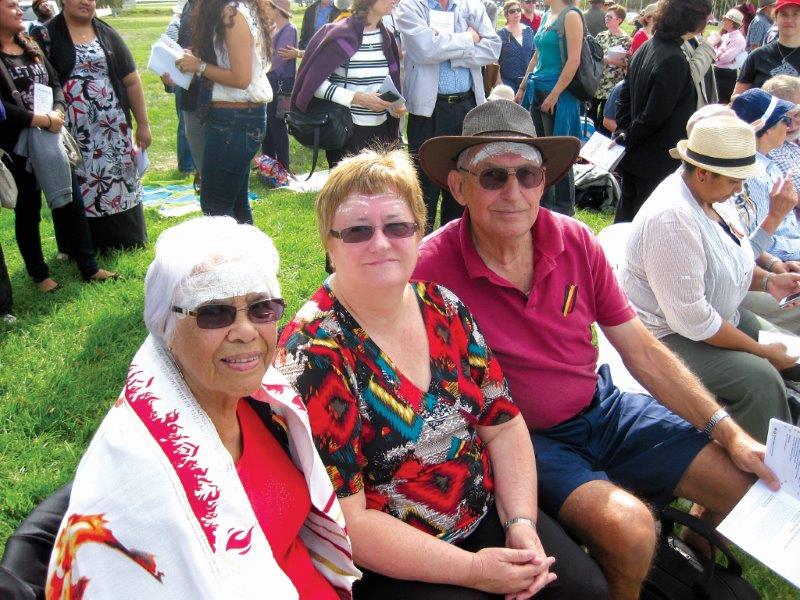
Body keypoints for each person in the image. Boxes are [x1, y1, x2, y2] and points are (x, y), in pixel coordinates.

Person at [413, 99, 780, 600]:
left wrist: (731, 434)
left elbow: (642, 351)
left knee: (747, 485)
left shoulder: (575, 240)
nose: (514, 192)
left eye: (528, 175)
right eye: (493, 177)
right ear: (459, 187)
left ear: (545, 181)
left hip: (602, 408)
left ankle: (692, 554)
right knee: (630, 530)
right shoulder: (428, 268)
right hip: (523, 441)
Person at [275, 148, 609, 600]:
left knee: (583, 590)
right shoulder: (314, 353)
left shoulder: (442, 306)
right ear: (329, 245)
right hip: (395, 558)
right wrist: (475, 571)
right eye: (357, 231)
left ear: (418, 230)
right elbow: (352, 523)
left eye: (396, 226)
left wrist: (522, 525)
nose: (380, 243)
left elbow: (504, 424)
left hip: (485, 512)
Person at [41, 216, 359, 598]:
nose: (245, 331)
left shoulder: (260, 403)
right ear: (165, 327)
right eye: (213, 312)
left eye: (261, 309)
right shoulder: (141, 478)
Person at [620, 114, 798, 443]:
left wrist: (767, 281)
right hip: (667, 336)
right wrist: (763, 353)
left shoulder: (713, 197)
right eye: (734, 181)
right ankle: (755, 479)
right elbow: (694, 321)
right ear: (702, 172)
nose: (739, 189)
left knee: (796, 356)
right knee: (761, 381)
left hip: (717, 319)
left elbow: (733, 258)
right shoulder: (672, 218)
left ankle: (785, 438)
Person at [1, 0, 116, 292]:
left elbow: (54, 83)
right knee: (28, 210)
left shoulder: (30, 46)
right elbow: (2, 108)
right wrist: (39, 119)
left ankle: (88, 267)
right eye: (11, 6)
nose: (18, 11)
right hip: (19, 146)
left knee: (72, 202)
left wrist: (58, 112)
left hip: (52, 138)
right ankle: (39, 275)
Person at [44, 0, 150, 253]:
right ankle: (83, 247)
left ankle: (126, 238)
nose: (85, 2)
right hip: (71, 131)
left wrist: (143, 124)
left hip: (112, 128)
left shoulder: (107, 33)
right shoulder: (46, 35)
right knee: (81, 183)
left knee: (117, 179)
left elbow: (132, 81)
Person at [396, 0, 500, 233]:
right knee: (424, 191)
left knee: (464, 187)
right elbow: (423, 50)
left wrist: (451, 55)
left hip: (468, 110)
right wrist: (468, 39)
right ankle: (421, 257)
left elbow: (493, 47)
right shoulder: (410, 6)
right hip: (429, 113)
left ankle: (454, 252)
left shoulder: (472, 6)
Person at [175, 0, 272, 225]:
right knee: (236, 205)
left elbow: (241, 78)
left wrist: (198, 66)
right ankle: (250, 259)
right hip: (235, 118)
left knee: (215, 207)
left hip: (236, 120)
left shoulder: (234, 14)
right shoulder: (232, 10)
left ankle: (231, 260)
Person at [614, 0, 711, 223]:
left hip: (636, 154)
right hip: (655, 160)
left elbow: (625, 98)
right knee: (643, 223)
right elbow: (655, 115)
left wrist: (623, 132)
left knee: (626, 217)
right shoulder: (673, 59)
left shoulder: (647, 47)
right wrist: (627, 135)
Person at [292, 0, 403, 168]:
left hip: (382, 134)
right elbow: (314, 84)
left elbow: (387, 84)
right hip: (347, 133)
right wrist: (357, 98)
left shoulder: (387, 37)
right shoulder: (339, 35)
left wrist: (395, 106)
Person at [516, 0, 582, 216]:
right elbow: (537, 55)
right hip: (539, 90)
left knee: (560, 155)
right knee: (540, 153)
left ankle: (563, 212)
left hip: (560, 96)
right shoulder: (547, 15)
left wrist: (554, 94)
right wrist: (523, 86)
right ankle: (543, 207)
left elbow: (574, 60)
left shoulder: (571, 16)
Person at [735, 0, 800, 92]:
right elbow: (736, 96)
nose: (789, 20)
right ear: (776, 18)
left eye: (795, 14)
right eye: (784, 14)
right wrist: (760, 100)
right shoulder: (757, 56)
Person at [263, 0, 296, 169]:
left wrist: (258, 69)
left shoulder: (289, 30)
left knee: (277, 126)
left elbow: (277, 62)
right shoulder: (273, 28)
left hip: (280, 85)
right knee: (267, 126)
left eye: (269, 6)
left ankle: (283, 167)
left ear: (277, 10)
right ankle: (268, 165)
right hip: (270, 82)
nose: (266, 9)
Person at [162, 3, 195, 175]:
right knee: (185, 124)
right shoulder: (175, 26)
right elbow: (169, 51)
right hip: (182, 77)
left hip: (188, 77)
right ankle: (187, 166)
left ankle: (191, 165)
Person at [591, 4, 629, 135]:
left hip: (612, 84)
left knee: (605, 117)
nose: (606, 19)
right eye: (606, 16)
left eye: (610, 17)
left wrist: (608, 60)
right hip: (597, 82)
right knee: (591, 115)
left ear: (619, 20)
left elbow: (627, 63)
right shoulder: (601, 35)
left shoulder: (626, 39)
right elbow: (592, 54)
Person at [497, 1, 535, 93]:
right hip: (507, 83)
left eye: (518, 10)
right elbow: (495, 61)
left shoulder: (529, 31)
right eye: (512, 11)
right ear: (507, 15)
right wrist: (499, 83)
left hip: (527, 82)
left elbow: (534, 55)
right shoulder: (500, 34)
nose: (516, 13)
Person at [712, 9, 747, 103]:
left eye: (725, 20)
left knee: (724, 100)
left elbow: (726, 58)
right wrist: (719, 53)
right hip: (718, 71)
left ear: (731, 22)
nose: (723, 21)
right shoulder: (726, 35)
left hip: (727, 74)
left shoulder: (738, 39)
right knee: (716, 98)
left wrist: (717, 53)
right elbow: (714, 52)